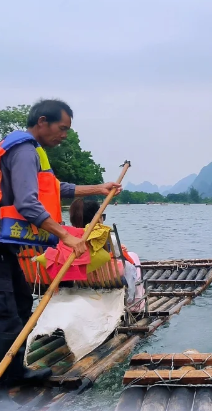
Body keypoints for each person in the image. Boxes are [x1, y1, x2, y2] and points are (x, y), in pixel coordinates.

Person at [0, 99, 121, 387]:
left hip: (5, 246)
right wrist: (66, 235)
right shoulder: (24, 150)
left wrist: (99, 188)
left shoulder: (31, 151)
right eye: (62, 128)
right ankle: (8, 380)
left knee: (18, 301)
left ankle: (14, 371)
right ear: (43, 121)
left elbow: (56, 189)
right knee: (6, 310)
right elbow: (28, 203)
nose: (64, 135)